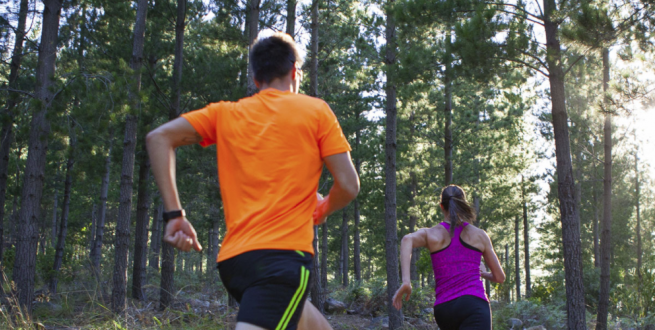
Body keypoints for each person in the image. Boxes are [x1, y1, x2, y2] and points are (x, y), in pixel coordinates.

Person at [146, 32, 359, 330]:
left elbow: (158, 138)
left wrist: (174, 215)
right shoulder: (316, 110)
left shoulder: (225, 113)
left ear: (257, 78)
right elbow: (349, 186)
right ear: (294, 72)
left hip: (235, 264)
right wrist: (321, 210)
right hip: (281, 261)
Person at [392, 185, 505, 330]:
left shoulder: (432, 234)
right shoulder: (479, 235)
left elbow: (407, 240)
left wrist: (406, 281)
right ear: (463, 204)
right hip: (473, 304)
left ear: (441, 206)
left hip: (444, 310)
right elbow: (499, 278)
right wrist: (483, 274)